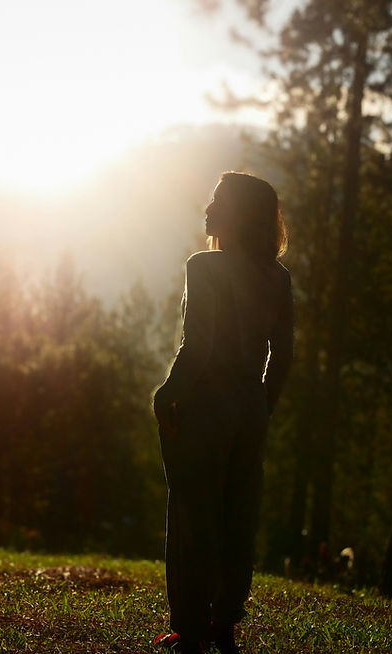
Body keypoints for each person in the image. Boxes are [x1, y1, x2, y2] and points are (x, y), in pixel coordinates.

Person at [152, 172, 294, 654]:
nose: (208, 209)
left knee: (193, 516)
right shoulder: (278, 277)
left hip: (204, 405)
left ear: (238, 214)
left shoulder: (205, 266)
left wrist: (166, 394)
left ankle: (190, 631)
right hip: (249, 408)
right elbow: (284, 353)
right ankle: (224, 624)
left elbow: (199, 345)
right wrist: (262, 406)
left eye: (217, 202)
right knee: (238, 516)